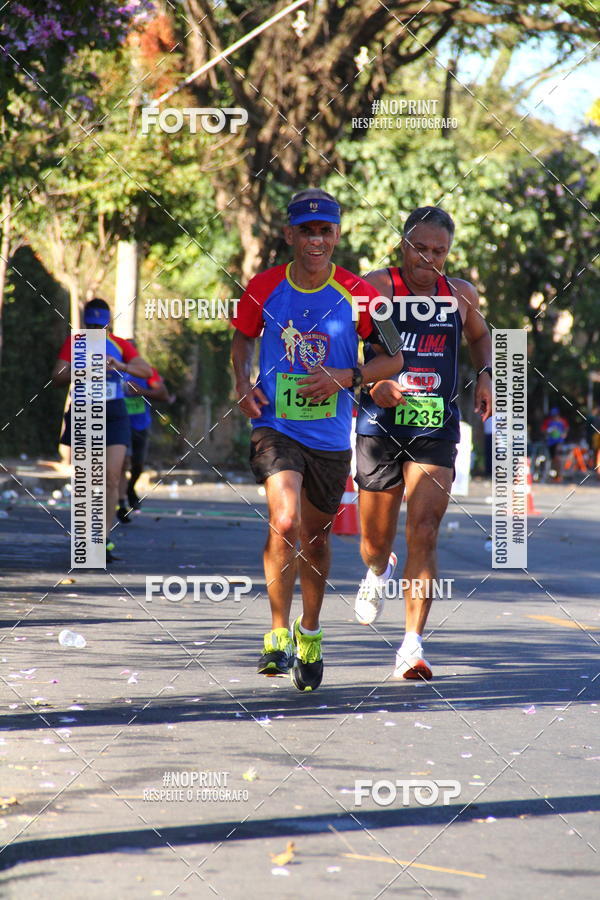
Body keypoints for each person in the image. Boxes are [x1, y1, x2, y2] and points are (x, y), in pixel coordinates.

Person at [231, 188, 403, 692]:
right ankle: (276, 635)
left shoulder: (362, 295)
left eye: (325, 230)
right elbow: (242, 335)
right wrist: (242, 383)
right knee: (284, 519)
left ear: (337, 234)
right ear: (289, 235)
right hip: (276, 425)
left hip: (329, 435)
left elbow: (393, 357)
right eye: (306, 230)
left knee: (316, 537)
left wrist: (345, 376)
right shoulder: (263, 287)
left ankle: (310, 632)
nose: (316, 239)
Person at [354, 206, 492, 680]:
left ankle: (411, 647)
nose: (430, 259)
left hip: (435, 426)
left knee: (425, 529)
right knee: (374, 542)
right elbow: (346, 346)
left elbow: (481, 337)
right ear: (403, 245)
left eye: (440, 251)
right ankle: (377, 570)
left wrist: (488, 374)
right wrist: (370, 387)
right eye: (421, 248)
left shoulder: (459, 295)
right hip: (379, 424)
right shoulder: (375, 288)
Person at [52, 298, 152, 563]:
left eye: (101, 325)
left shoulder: (120, 344)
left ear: (108, 323)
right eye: (91, 324)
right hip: (84, 411)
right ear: (85, 323)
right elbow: (57, 376)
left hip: (115, 414)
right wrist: (82, 368)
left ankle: (103, 539)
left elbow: (145, 369)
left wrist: (120, 366)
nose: (96, 329)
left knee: (111, 475)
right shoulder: (74, 343)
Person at [116, 354, 169, 522]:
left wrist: (142, 391)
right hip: (119, 424)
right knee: (123, 463)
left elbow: (163, 393)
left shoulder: (146, 372)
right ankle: (121, 503)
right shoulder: (112, 369)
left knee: (138, 465)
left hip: (141, 425)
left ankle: (130, 489)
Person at [541, 407, 569, 481]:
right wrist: (548, 431)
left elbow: (566, 429)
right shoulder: (548, 422)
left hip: (559, 442)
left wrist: (564, 434)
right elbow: (543, 430)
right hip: (550, 443)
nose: (554, 417)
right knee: (552, 459)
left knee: (558, 458)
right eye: (553, 415)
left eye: (555, 415)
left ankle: (559, 475)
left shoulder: (562, 421)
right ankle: (555, 475)